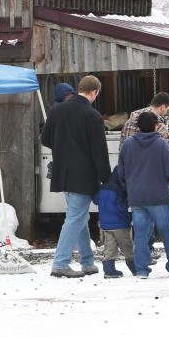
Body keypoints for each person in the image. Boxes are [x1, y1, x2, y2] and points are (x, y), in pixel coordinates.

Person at [40, 74, 109, 278]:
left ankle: (87, 262)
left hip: (63, 172)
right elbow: (100, 152)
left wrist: (63, 150)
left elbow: (45, 139)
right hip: (84, 174)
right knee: (75, 217)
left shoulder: (56, 111)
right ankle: (60, 263)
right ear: (94, 92)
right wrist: (107, 177)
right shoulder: (93, 116)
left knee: (79, 216)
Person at [117, 111, 169, 278]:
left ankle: (142, 268)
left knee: (140, 234)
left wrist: (129, 187)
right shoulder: (162, 145)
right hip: (159, 196)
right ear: (155, 126)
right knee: (166, 232)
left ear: (137, 126)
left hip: (137, 197)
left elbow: (121, 172)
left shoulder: (128, 145)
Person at [92, 173, 136, 278]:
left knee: (109, 247)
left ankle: (109, 270)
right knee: (127, 247)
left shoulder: (102, 188)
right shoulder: (120, 190)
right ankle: (136, 269)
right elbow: (123, 206)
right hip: (120, 224)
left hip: (106, 225)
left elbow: (95, 200)